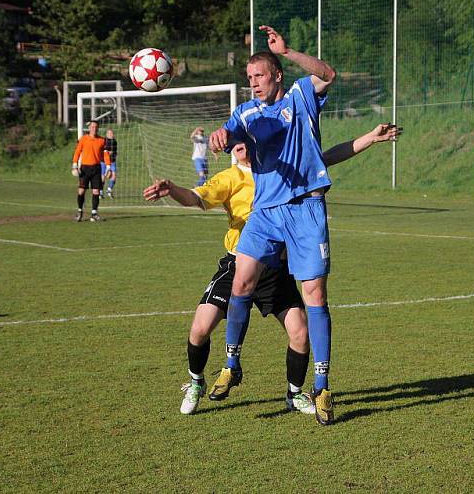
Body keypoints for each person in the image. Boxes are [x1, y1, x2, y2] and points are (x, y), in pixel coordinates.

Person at [143, 124, 400, 416]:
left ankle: (294, 394)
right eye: (234, 144)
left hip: (275, 269)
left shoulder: (281, 170)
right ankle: (196, 382)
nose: (239, 147)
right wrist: (172, 189)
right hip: (238, 264)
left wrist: (370, 137)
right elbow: (196, 198)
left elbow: (325, 157)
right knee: (200, 329)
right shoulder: (229, 178)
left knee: (300, 332)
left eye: (243, 142)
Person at [208, 24, 338, 425]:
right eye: (248, 79)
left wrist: (288, 50)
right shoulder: (246, 112)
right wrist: (221, 136)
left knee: (313, 296)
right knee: (242, 280)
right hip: (265, 212)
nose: (253, 84)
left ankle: (322, 387)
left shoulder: (301, 96)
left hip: (305, 209)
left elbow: (328, 73)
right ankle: (232, 365)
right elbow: (232, 132)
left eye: (259, 76)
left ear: (277, 74)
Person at [72, 121, 110, 222]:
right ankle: (80, 211)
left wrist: (108, 167)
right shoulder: (83, 139)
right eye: (92, 127)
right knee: (81, 191)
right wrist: (75, 165)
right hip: (84, 168)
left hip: (96, 168)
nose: (94, 128)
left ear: (98, 128)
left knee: (96, 191)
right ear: (89, 128)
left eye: (96, 127)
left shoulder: (102, 140)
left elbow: (105, 154)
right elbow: (77, 152)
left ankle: (94, 214)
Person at [100, 129, 117, 199]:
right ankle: (100, 192)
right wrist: (107, 152)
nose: (110, 134)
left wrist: (113, 154)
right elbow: (102, 150)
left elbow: (115, 152)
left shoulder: (115, 142)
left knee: (114, 176)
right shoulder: (104, 141)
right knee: (103, 177)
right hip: (103, 162)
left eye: (111, 133)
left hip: (112, 161)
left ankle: (109, 190)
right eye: (109, 133)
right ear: (106, 134)